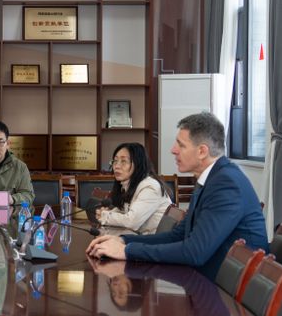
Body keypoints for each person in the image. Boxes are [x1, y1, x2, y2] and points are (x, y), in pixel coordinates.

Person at [87, 112, 269, 281]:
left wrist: (127, 251)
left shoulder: (226, 184)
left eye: (181, 145)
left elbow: (195, 252)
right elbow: (177, 236)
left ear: (202, 151)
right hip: (209, 277)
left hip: (229, 291)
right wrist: (123, 240)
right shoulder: (211, 179)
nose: (173, 150)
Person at [95, 142, 172, 234]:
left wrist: (105, 216)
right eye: (115, 161)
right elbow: (125, 210)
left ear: (138, 164)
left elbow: (132, 222)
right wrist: (108, 212)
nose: (116, 166)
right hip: (141, 237)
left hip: (155, 240)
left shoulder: (150, 187)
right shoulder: (130, 185)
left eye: (123, 161)